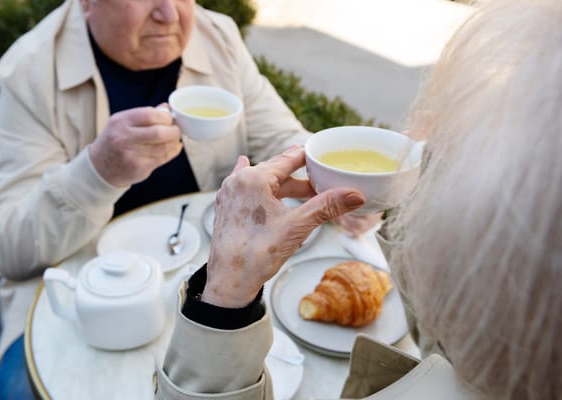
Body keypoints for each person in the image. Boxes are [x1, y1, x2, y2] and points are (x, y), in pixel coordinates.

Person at [154, 0, 562, 398]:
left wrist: (225, 297)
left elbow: (275, 129)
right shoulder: (494, 354)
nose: (167, 12)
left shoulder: (217, 34)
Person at [0, 0, 380, 397]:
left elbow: (281, 140)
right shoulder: (31, 68)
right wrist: (97, 170)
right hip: (80, 297)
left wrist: (338, 180)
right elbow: (6, 250)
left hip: (216, 280)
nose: (169, 14)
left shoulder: (216, 36)